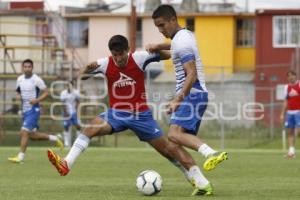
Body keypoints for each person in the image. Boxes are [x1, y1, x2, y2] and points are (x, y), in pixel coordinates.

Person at [47, 35, 213, 196]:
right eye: (115, 55)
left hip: (141, 116)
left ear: (128, 50)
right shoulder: (105, 64)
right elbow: (81, 77)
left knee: (169, 150)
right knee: (90, 128)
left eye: (121, 54)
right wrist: (86, 68)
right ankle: (66, 163)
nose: (118, 58)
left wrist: (158, 49)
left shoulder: (139, 58)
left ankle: (198, 180)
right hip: (116, 114)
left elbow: (169, 55)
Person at [147, 4, 228, 173]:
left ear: (173, 20)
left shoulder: (182, 40)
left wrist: (178, 100)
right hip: (195, 94)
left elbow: (192, 74)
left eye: (162, 25)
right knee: (175, 141)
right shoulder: (183, 36)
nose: (160, 29)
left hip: (193, 94)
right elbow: (174, 47)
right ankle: (199, 181)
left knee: (173, 135)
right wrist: (159, 46)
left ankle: (212, 153)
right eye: (157, 27)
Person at [8, 59, 64, 163]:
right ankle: (55, 138)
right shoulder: (19, 79)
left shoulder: (36, 79)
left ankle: (20, 158)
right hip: (25, 110)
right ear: (22, 68)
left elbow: (47, 92)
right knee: (32, 136)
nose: (27, 68)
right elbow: (18, 91)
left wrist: (36, 100)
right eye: (25, 66)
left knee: (24, 132)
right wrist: (18, 96)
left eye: (29, 67)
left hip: (34, 110)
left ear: (32, 68)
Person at [280, 70, 300, 158]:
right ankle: (291, 152)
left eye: (292, 75)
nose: (290, 77)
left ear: (295, 76)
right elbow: (285, 101)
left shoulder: (299, 85)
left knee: (299, 131)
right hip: (290, 112)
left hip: (299, 111)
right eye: (288, 76)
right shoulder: (286, 87)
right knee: (290, 131)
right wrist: (282, 114)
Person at [60, 80, 81, 147]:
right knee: (66, 126)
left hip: (74, 111)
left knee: (78, 125)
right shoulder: (63, 93)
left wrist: (76, 109)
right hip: (66, 112)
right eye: (68, 85)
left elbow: (78, 101)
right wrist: (66, 112)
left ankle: (77, 141)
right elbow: (63, 103)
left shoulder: (76, 93)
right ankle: (66, 143)